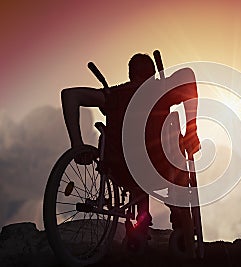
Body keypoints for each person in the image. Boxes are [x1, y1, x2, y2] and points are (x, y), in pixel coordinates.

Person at [61, 53, 200, 233]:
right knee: (171, 131)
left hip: (120, 171)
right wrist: (191, 129)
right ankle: (178, 207)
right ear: (153, 74)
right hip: (160, 167)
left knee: (131, 153)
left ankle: (141, 219)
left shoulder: (114, 95)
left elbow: (69, 95)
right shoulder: (160, 90)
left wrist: (77, 144)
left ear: (130, 74)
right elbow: (188, 75)